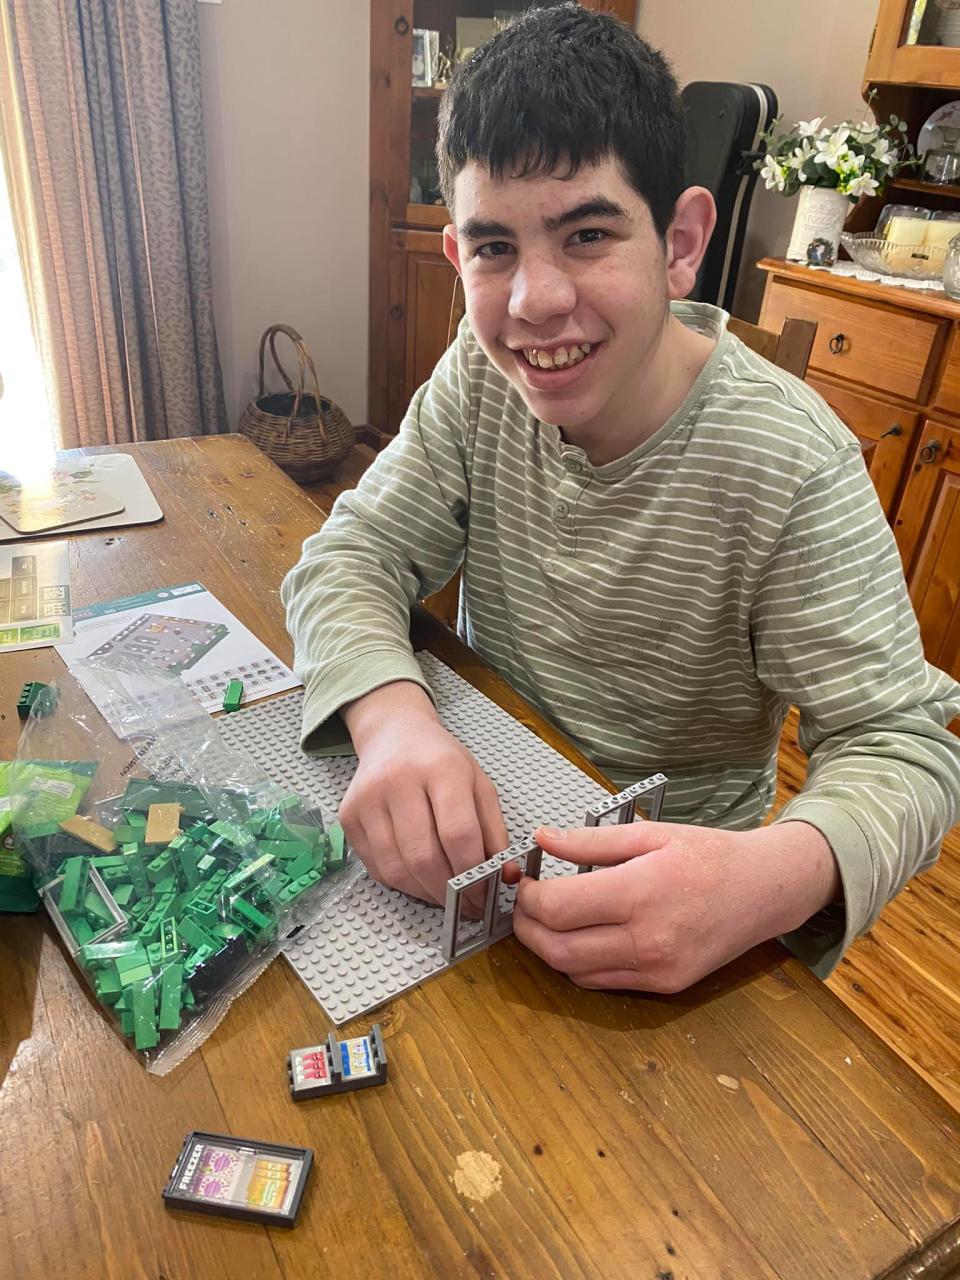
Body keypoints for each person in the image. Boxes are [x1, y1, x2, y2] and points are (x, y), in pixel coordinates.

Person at [282, 4, 960, 992]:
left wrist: (773, 875)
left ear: (681, 242)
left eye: (588, 233)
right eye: (494, 249)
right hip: (480, 845)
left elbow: (904, 749)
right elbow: (354, 555)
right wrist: (391, 718)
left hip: (671, 913)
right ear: (457, 260)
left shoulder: (793, 464)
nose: (534, 302)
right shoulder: (480, 370)